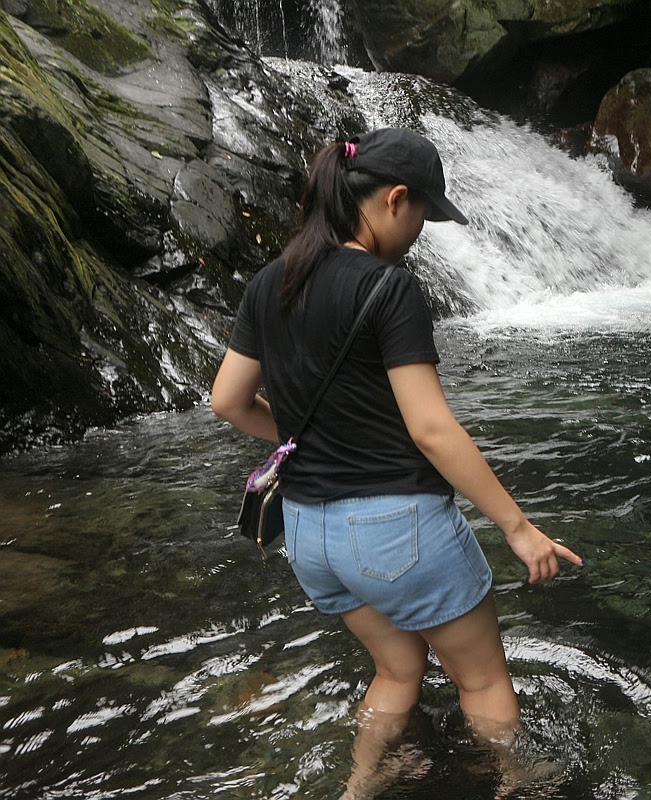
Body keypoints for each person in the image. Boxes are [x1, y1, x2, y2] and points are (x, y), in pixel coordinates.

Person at [210, 127, 583, 798]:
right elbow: (432, 429)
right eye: (423, 216)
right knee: (483, 681)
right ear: (395, 200)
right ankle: (514, 785)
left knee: (399, 668)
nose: (420, 231)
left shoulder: (271, 282)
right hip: (395, 532)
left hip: (310, 537)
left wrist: (298, 433)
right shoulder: (390, 289)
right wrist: (518, 528)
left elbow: (228, 401)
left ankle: (357, 789)